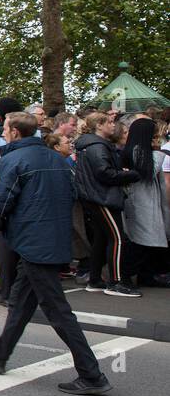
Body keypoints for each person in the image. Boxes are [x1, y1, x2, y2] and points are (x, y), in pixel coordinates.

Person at [0, 113, 112, 396]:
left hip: (32, 241)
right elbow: (72, 195)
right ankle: (0, 352)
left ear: (14, 133)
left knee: (58, 311)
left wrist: (2, 228)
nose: (5, 133)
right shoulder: (58, 160)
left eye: (7, 129)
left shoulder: (12, 160)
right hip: (53, 239)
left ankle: (91, 374)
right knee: (22, 300)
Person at [74, 111, 141, 296]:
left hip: (95, 196)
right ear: (99, 126)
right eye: (110, 122)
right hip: (102, 197)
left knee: (101, 239)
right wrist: (131, 174)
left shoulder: (91, 145)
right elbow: (105, 173)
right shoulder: (97, 146)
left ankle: (95, 279)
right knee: (117, 238)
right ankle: (116, 282)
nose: (114, 126)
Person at [118, 116, 167, 292]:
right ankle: (126, 277)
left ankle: (146, 275)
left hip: (147, 199)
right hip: (139, 201)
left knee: (148, 241)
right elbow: (150, 171)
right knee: (140, 241)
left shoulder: (140, 149)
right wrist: (158, 150)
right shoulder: (139, 150)